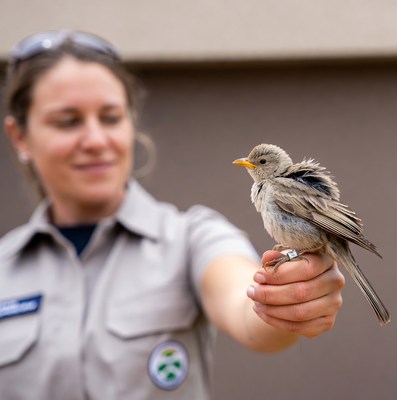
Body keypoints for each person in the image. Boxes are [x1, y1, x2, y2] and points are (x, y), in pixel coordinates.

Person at [0, 30, 344, 400]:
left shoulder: (192, 238)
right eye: (68, 121)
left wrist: (285, 300)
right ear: (19, 136)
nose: (96, 139)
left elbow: (245, 304)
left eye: (111, 117)